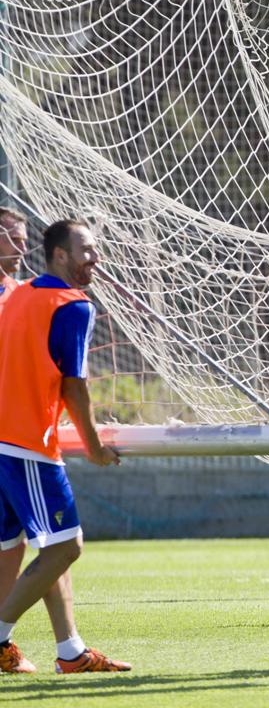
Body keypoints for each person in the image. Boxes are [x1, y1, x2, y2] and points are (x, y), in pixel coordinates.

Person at [0, 219, 129, 675]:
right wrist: (94, 446)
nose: (94, 257)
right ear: (59, 254)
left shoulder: (20, 294)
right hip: (28, 442)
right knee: (66, 546)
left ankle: (70, 652)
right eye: (86, 249)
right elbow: (74, 386)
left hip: (5, 440)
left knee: (44, 546)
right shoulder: (73, 305)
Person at [0, 208, 30, 610]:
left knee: (19, 542)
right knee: (58, 544)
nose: (24, 246)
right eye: (14, 237)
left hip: (14, 435)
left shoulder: (19, 292)